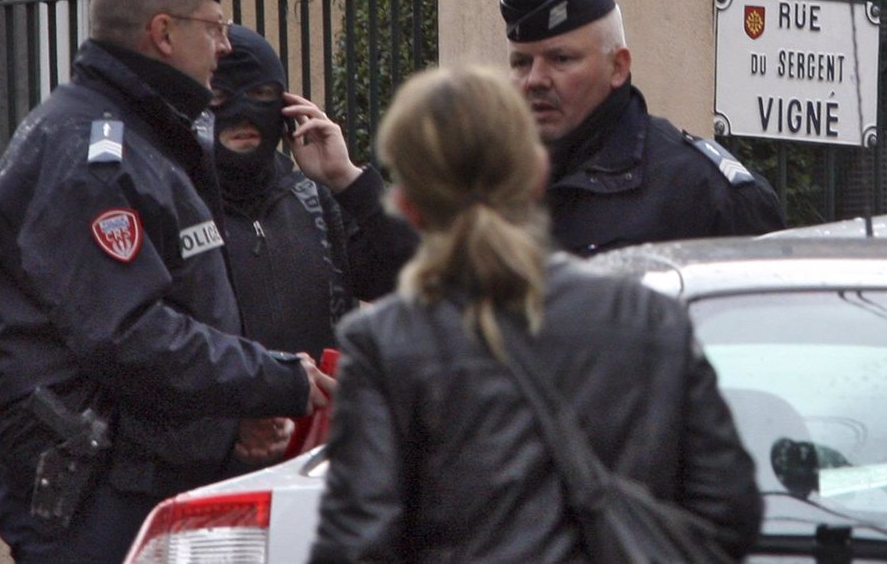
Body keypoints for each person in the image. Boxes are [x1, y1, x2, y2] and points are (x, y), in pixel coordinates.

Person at [0, 0, 334, 563]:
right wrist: (272, 381)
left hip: (134, 481)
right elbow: (129, 337)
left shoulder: (143, 141)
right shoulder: (93, 157)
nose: (224, 47)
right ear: (163, 33)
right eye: (214, 27)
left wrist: (227, 421)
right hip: (94, 500)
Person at [310, 65, 762, 562]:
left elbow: (354, 547)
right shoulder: (652, 318)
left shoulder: (383, 344)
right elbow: (731, 513)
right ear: (537, 175)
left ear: (408, 205)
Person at [499, 0, 785, 255]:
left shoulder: (703, 195)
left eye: (561, 59)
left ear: (618, 67)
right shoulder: (490, 186)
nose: (535, 80)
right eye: (521, 63)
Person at [210, 24, 417, 362]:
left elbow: (413, 278)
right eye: (220, 96)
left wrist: (348, 180)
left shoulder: (316, 202)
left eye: (262, 94)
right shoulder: (180, 204)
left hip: (323, 411)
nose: (244, 114)